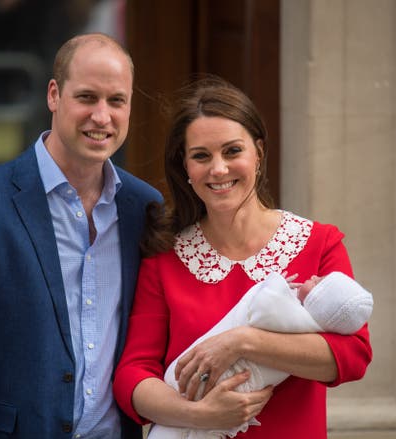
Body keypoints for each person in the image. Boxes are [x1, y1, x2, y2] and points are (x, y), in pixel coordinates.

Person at [0, 33, 162, 438]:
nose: (102, 116)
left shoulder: (144, 208)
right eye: (86, 97)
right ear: (53, 94)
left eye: (116, 101)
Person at [112, 76, 373, 439]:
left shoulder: (319, 243)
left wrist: (241, 342)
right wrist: (199, 415)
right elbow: (132, 376)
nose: (218, 169)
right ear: (185, 167)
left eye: (232, 151)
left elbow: (353, 357)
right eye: (201, 156)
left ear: (259, 153)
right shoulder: (165, 259)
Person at [150, 270, 373, 439]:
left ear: (319, 302)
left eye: (318, 283)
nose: (313, 276)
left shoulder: (296, 318)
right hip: (190, 401)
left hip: (217, 381)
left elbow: (263, 310)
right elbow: (135, 370)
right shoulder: (309, 326)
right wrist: (197, 414)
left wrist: (276, 282)